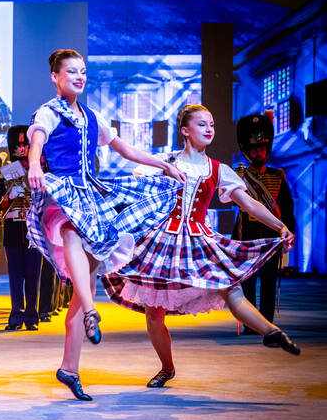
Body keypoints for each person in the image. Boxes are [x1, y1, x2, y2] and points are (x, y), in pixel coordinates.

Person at [102, 104, 300, 388]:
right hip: (163, 239)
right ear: (185, 130)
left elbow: (250, 203)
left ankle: (271, 332)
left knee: (231, 288)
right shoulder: (165, 161)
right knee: (154, 312)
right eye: (202, 124)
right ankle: (166, 367)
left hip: (198, 238)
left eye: (212, 125)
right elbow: (135, 190)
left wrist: (280, 226)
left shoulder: (218, 169)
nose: (210, 129)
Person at [26, 49, 185, 401]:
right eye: (71, 71)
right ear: (55, 76)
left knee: (86, 278)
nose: (79, 77)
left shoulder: (91, 117)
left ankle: (69, 368)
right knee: (69, 229)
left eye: (82, 71)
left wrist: (163, 165)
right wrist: (35, 165)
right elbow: (36, 137)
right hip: (62, 193)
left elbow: (124, 149)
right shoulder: (49, 112)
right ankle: (93, 311)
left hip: (91, 195)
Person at [232, 113, 295, 331]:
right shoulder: (239, 175)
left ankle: (266, 322)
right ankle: (251, 323)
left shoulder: (278, 175)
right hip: (248, 237)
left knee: (269, 283)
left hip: (271, 238)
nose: (260, 152)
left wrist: (289, 232)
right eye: (255, 149)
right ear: (247, 152)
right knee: (247, 284)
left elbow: (287, 208)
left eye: (262, 149)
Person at [0, 126, 41, 330]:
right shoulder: (5, 174)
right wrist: (8, 196)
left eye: (24, 145)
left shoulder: (40, 170)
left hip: (34, 228)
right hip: (13, 228)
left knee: (32, 274)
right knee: (15, 275)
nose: (21, 148)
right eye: (18, 145)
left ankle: (31, 316)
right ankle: (16, 315)